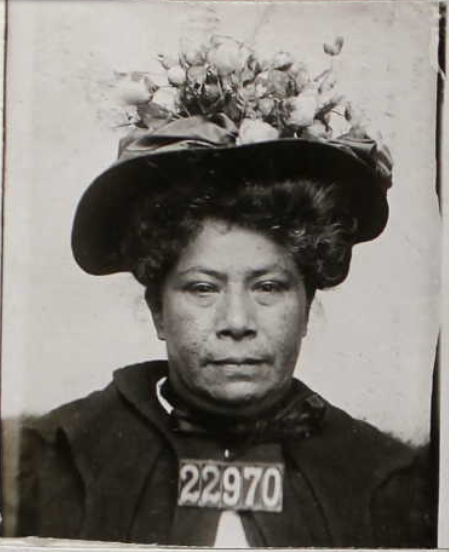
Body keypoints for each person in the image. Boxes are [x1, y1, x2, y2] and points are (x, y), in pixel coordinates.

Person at [16, 36, 436, 547]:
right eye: (201, 288)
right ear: (157, 311)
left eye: (268, 286)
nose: (237, 320)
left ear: (307, 307)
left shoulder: (387, 483)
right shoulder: (48, 463)